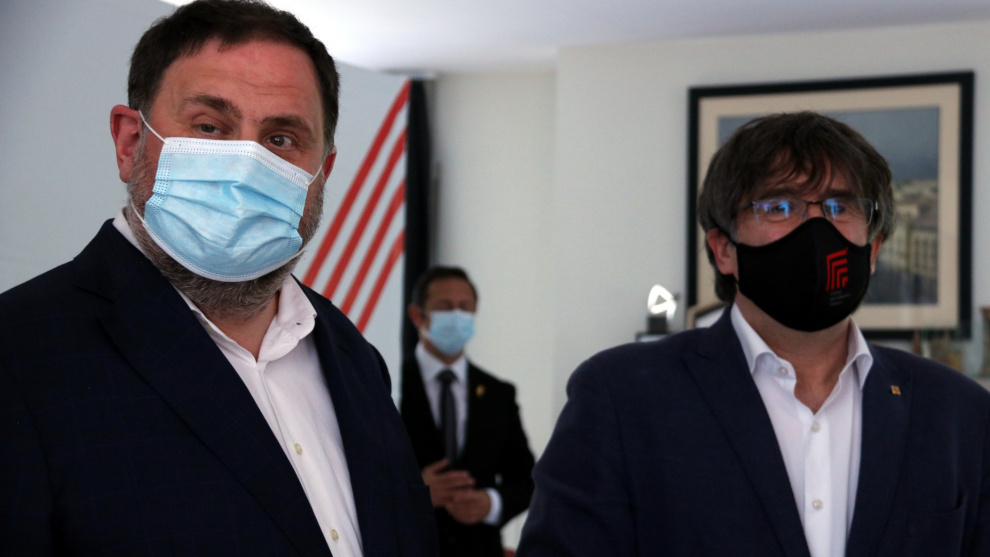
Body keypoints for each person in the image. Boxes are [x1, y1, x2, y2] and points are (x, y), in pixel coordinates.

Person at [0, 1, 436, 554]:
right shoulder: (19, 354)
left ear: (321, 172)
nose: (244, 165)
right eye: (209, 127)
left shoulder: (355, 358)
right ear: (130, 142)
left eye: (281, 139)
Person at [517, 112, 990, 556]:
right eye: (780, 206)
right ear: (724, 249)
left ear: (872, 250)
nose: (816, 227)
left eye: (840, 206)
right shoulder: (620, 397)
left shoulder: (959, 413)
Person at [400, 266, 536, 557]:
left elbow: (528, 481)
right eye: (445, 307)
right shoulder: (387, 384)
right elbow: (360, 476)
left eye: (465, 308)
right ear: (417, 315)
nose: (457, 315)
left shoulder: (499, 393)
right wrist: (414, 493)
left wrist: (491, 503)